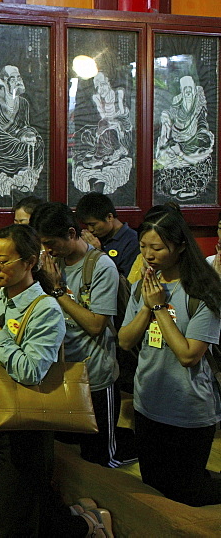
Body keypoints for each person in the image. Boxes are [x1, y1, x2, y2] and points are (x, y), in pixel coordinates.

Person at [0, 224, 111, 537]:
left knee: (14, 523)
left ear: (30, 262)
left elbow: (30, 372)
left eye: (4, 261)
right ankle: (77, 518)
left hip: (25, 427)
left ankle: (86, 526)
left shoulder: (46, 309)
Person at [118, 209, 221, 507]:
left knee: (187, 493)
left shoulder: (203, 292)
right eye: (143, 247)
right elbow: (125, 340)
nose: (148, 255)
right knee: (154, 488)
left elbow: (189, 355)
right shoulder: (145, 287)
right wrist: (147, 306)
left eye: (157, 248)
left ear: (180, 246)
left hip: (188, 410)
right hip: (148, 403)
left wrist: (160, 309)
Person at [32, 202, 130, 468]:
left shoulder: (100, 267)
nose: (47, 250)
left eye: (51, 242)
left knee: (99, 458)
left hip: (95, 376)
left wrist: (58, 291)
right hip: (60, 372)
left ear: (72, 234)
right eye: (42, 244)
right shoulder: (49, 263)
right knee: (67, 455)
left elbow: (97, 324)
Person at [0, 65, 45, 198]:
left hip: (15, 140)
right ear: (3, 81)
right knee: (20, 147)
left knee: (37, 143)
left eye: (18, 77)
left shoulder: (23, 103)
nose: (17, 81)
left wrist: (28, 134)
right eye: (12, 78)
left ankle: (25, 179)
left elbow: (23, 126)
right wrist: (16, 140)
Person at [75, 192, 139, 279]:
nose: (90, 229)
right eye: (87, 225)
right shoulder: (93, 238)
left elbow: (126, 283)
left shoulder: (133, 241)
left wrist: (97, 253)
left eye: (93, 224)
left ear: (109, 217)